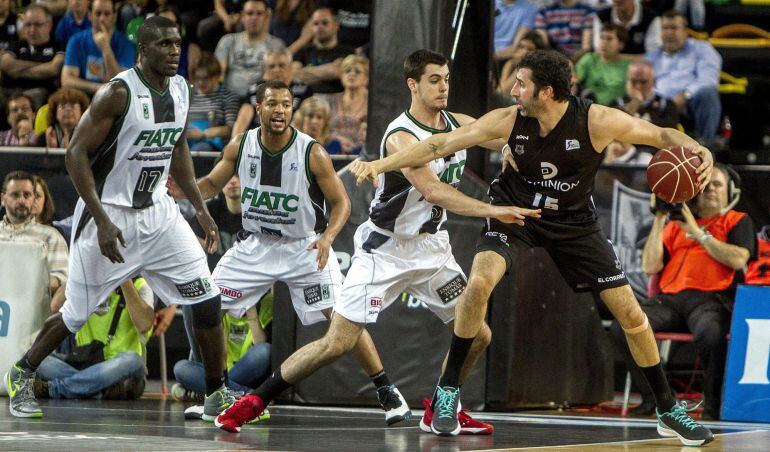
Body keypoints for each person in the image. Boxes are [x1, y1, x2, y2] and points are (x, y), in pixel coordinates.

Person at [348, 50, 716, 446]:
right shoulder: (510, 120)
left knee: (630, 312)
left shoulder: (596, 120)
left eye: (521, 83)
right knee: (478, 284)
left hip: (573, 222)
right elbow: (439, 144)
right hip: (515, 211)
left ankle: (667, 408)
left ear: (548, 92)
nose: (513, 89)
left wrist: (698, 149)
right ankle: (447, 390)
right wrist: (379, 166)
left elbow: (661, 135)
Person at [214, 50, 536, 435]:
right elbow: (433, 191)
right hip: (385, 249)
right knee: (336, 342)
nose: (444, 86)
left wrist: (507, 147)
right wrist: (493, 210)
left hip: (432, 250)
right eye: (434, 79)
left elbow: (499, 130)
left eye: (447, 78)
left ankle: (443, 404)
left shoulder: (455, 122)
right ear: (413, 85)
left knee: (478, 332)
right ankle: (255, 401)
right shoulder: (401, 137)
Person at [5, 16, 232, 423]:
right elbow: (75, 154)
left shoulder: (180, 89)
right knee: (74, 313)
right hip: (109, 215)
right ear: (142, 51)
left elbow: (177, 148)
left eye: (177, 43)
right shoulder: (117, 93)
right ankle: (22, 372)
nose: (173, 50)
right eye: (163, 44)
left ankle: (217, 393)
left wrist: (199, 207)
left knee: (207, 296)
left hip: (159, 214)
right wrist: (101, 219)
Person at [171, 79, 412, 427]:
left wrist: (329, 237)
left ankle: (386, 389)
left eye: (286, 104)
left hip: (304, 247)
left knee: (344, 315)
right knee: (204, 304)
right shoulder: (241, 145)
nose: (281, 110)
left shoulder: (312, 152)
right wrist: (184, 190)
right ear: (259, 109)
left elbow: (341, 202)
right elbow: (211, 185)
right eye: (273, 104)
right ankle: (217, 391)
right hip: (256, 245)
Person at [613, 164, 755, 420]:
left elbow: (738, 259)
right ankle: (657, 399)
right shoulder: (674, 226)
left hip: (711, 299)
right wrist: (659, 218)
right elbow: (649, 265)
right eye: (706, 185)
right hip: (670, 301)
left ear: (730, 191)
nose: (710, 189)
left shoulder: (737, 220)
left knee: (711, 333)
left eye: (717, 184)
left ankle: (712, 408)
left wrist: (699, 234)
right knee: (625, 325)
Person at [33, 278, 154, 400]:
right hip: (83, 362)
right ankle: (96, 388)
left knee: (133, 359)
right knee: (35, 358)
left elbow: (144, 325)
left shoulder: (140, 284)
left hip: (120, 370)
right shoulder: (86, 281)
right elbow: (54, 309)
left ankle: (55, 389)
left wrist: (125, 281)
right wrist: (79, 272)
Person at [646, 10, 721, 144]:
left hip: (689, 104)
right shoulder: (652, 56)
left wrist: (686, 94)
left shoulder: (701, 48)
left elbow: (708, 78)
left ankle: (705, 144)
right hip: (659, 105)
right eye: (665, 28)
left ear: (686, 31)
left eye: (674, 28)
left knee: (708, 92)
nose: (669, 33)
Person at [0, 171, 68, 299]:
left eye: (27, 195)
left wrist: (19, 282)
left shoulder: (51, 236)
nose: (21, 200)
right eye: (15, 195)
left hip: (32, 311)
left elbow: (61, 278)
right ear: (2, 199)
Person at [61, 0, 136, 95]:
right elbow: (67, 81)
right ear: (89, 15)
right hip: (83, 97)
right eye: (98, 13)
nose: (102, 18)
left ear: (114, 16)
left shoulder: (125, 44)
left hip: (113, 98)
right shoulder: (76, 41)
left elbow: (122, 83)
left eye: (107, 14)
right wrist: (98, 88)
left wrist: (106, 49)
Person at [215, 0, 286, 100]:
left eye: (259, 14)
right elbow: (217, 74)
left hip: (263, 101)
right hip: (229, 102)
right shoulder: (227, 41)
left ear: (266, 17)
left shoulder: (277, 45)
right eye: (250, 13)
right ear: (242, 17)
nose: (254, 18)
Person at [231, 49, 312, 137]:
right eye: (272, 66)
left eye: (281, 65)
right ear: (265, 69)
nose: (276, 70)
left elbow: (302, 121)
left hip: (290, 138)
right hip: (257, 138)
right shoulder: (255, 89)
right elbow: (243, 119)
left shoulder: (304, 89)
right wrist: (237, 142)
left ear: (290, 67)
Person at [0, 5, 64, 102]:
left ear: (49, 25)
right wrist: (43, 65)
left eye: (37, 25)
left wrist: (17, 70)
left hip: (39, 93)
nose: (32, 30)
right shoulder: (16, 45)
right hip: (8, 92)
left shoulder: (59, 46)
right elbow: (6, 64)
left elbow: (53, 69)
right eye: (28, 25)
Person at [292, 7, 355, 94]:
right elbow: (293, 74)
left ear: (336, 25)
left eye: (325, 23)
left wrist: (305, 71)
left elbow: (336, 72)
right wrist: (327, 71)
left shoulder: (347, 52)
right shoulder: (303, 51)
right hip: (305, 100)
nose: (319, 27)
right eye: (316, 23)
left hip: (335, 99)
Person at [187, 53, 240, 152]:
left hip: (211, 144)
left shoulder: (228, 96)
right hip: (187, 141)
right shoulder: (188, 94)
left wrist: (203, 134)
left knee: (200, 148)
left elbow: (231, 129)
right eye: (197, 78)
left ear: (216, 76)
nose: (200, 82)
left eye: (205, 78)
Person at [611, 60, 679, 130]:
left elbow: (671, 131)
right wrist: (636, 101)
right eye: (633, 81)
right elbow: (613, 126)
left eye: (643, 82)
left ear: (654, 81)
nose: (638, 86)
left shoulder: (666, 105)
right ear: (627, 81)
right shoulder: (617, 104)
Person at [576, 23, 630, 106]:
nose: (603, 42)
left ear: (621, 45)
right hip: (589, 109)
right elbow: (573, 80)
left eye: (609, 39)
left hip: (617, 111)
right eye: (601, 38)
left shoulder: (629, 67)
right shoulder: (589, 58)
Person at [326, 54, 367, 154]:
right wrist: (336, 139)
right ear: (341, 76)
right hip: (333, 150)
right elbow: (322, 130)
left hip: (361, 153)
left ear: (366, 78)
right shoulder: (330, 101)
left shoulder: (373, 103)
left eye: (357, 72)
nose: (351, 74)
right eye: (347, 71)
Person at [593, 0, 661, 56]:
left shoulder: (651, 18)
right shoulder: (602, 17)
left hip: (641, 69)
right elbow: (599, 52)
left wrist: (617, 59)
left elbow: (653, 56)